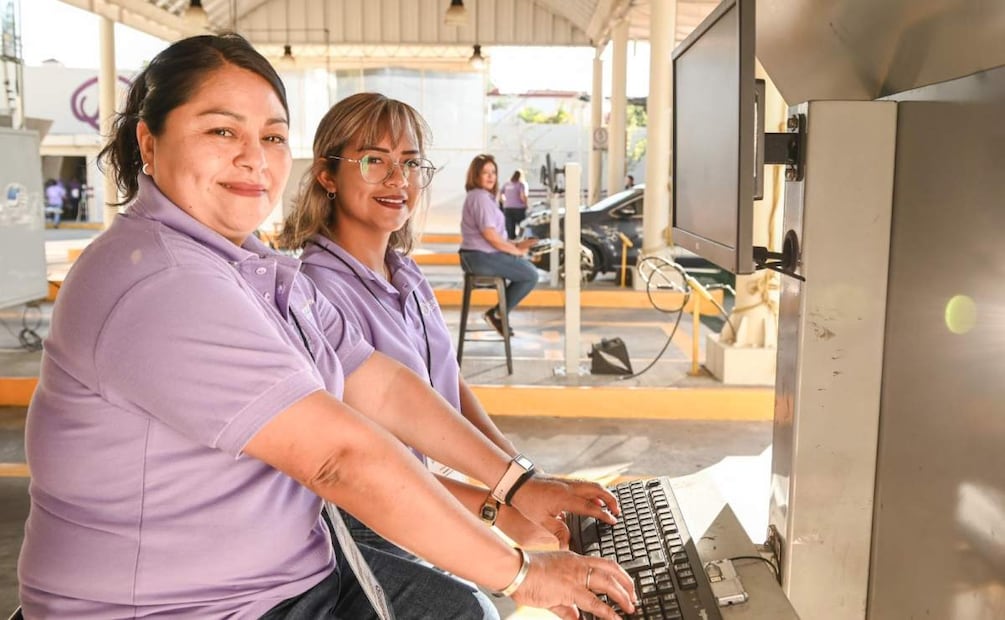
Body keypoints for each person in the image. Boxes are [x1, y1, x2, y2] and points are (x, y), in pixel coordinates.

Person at [16, 34, 636, 620]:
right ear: (149, 144)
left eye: (273, 136)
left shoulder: (253, 267)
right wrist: (523, 572)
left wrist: (521, 482)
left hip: (278, 579)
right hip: (186, 606)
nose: (253, 158)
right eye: (220, 130)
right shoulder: (165, 281)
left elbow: (382, 385)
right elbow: (340, 459)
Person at [281, 93, 563, 556]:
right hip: (376, 533)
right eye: (374, 160)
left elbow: (448, 387)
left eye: (411, 163)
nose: (399, 179)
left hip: (437, 508)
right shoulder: (318, 296)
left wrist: (525, 477)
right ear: (327, 174)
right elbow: (364, 472)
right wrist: (504, 509)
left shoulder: (406, 274)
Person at [459, 154, 540, 337]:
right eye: (485, 172)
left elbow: (496, 236)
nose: (490, 176)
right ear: (475, 175)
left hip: (481, 256)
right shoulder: (479, 197)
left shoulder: (484, 197)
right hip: (479, 257)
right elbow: (490, 236)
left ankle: (497, 314)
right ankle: (496, 314)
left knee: (526, 270)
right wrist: (516, 251)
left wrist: (516, 244)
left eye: (493, 172)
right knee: (530, 274)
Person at [500, 168, 529, 240]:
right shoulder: (520, 185)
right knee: (522, 225)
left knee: (510, 227)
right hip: (519, 209)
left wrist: (504, 201)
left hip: (507, 208)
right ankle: (521, 240)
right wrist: (525, 204)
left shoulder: (506, 184)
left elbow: (500, 193)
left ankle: (511, 241)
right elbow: (522, 196)